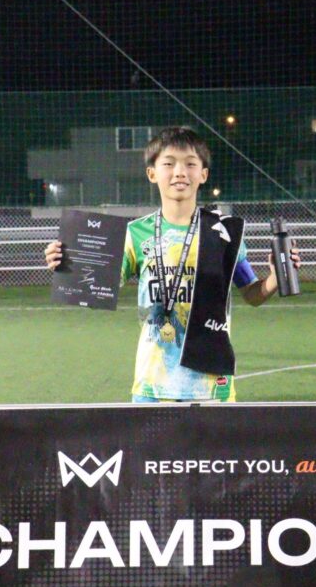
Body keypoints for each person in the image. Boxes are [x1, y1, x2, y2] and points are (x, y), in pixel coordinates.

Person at [44, 126, 300, 402]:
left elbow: (252, 293)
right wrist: (67, 264)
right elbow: (101, 286)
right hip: (152, 385)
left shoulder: (223, 233)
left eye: (190, 164)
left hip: (212, 385)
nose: (180, 172)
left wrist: (276, 277)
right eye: (169, 163)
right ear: (152, 173)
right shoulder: (135, 233)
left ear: (203, 174)